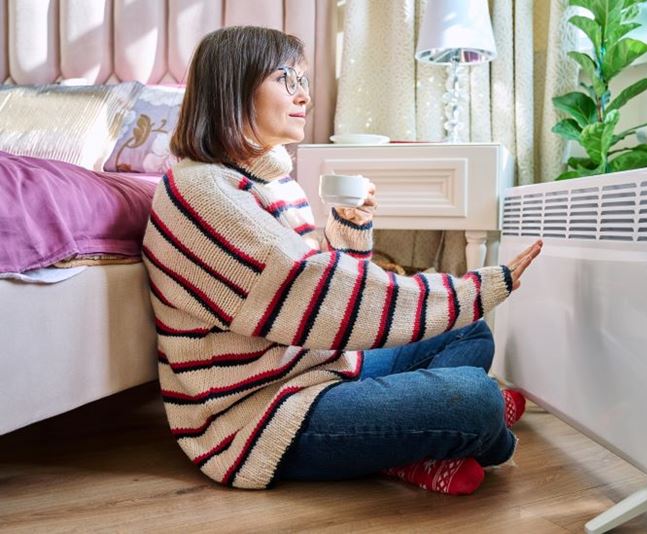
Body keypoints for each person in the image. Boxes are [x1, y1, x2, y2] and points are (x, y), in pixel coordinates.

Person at [143, 26, 543, 495]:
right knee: (477, 400)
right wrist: (476, 287)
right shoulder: (202, 192)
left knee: (469, 331)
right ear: (232, 86)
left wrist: (349, 229)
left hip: (315, 366)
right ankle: (444, 437)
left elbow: (318, 301)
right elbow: (316, 291)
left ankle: (408, 449)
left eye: (303, 81)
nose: (304, 96)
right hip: (259, 417)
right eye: (286, 79)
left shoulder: (272, 182)